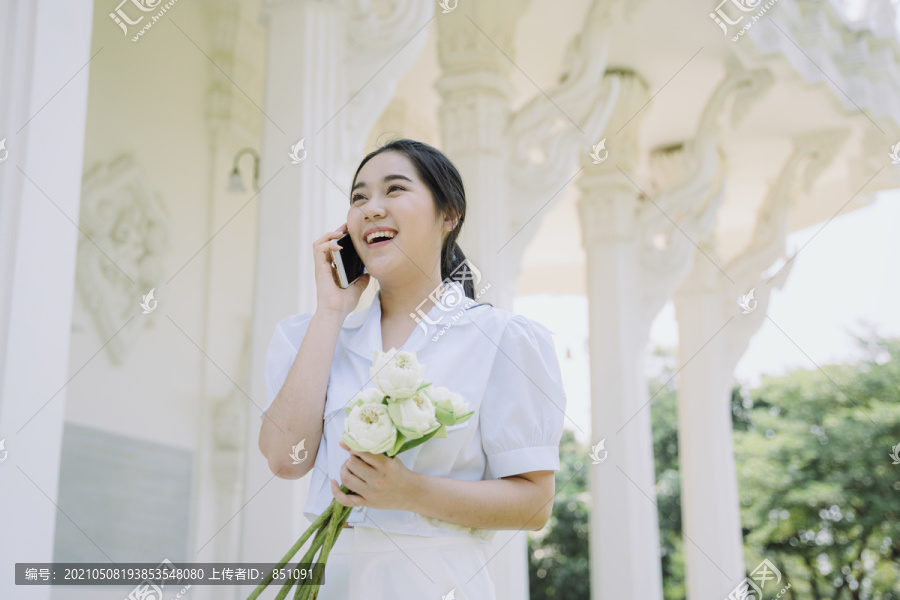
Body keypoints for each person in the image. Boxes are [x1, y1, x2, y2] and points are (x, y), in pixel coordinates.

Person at [257, 139, 568, 600]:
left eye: (394, 190)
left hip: (437, 582)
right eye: (359, 197)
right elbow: (287, 460)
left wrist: (410, 491)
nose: (371, 209)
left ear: (449, 215)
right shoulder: (311, 335)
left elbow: (534, 505)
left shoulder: (502, 340)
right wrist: (331, 310)